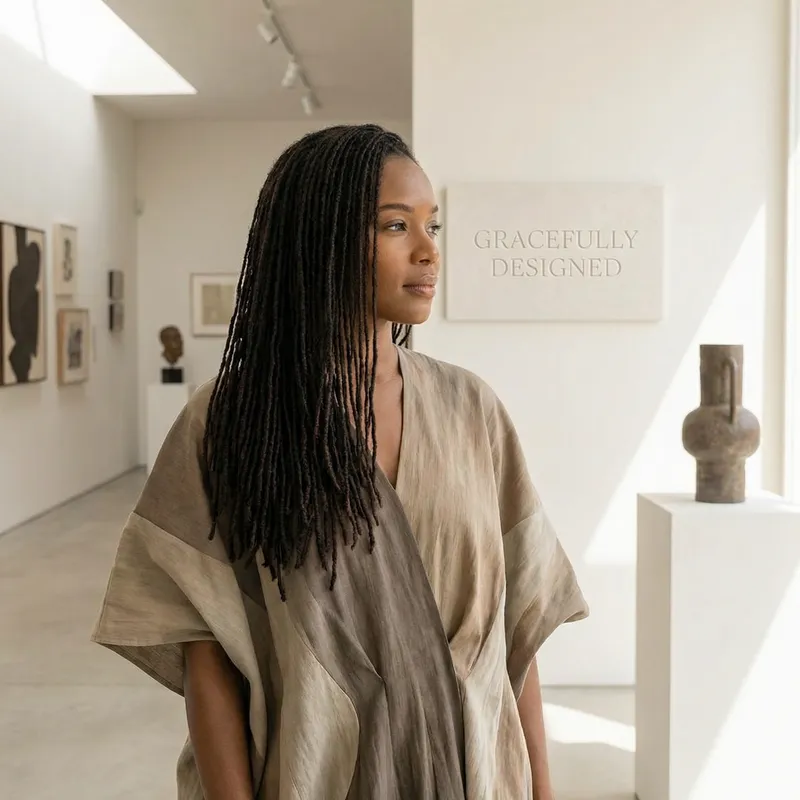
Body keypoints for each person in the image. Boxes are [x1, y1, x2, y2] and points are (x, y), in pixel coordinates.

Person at [90, 124, 588, 800]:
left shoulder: (473, 412)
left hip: (475, 777)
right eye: (394, 226)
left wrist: (542, 792)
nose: (427, 251)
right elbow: (208, 659)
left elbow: (517, 639)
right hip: (314, 775)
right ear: (318, 241)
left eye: (431, 225)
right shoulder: (235, 423)